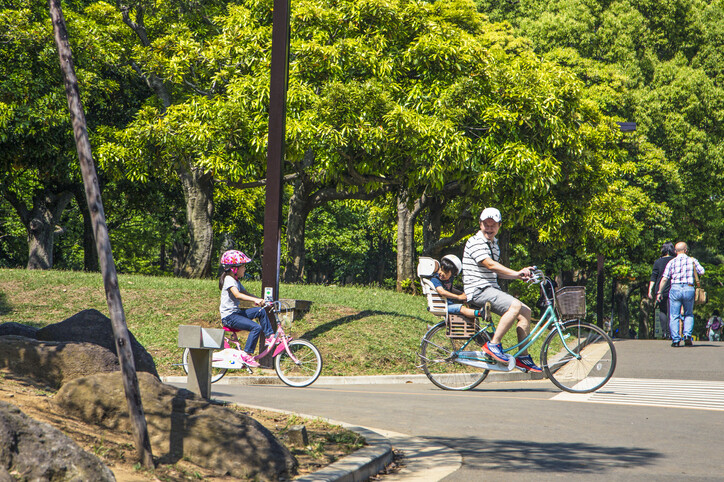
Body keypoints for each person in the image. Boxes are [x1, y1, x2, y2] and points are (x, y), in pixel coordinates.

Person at [462, 207, 540, 372]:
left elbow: (497, 272)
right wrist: (516, 273)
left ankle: (523, 358)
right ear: (480, 224)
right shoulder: (476, 241)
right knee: (515, 305)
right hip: (478, 290)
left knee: (526, 312)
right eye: (486, 224)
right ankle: (494, 344)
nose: (489, 228)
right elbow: (490, 265)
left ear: (499, 226)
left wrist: (519, 275)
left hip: (489, 288)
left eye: (493, 225)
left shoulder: (493, 244)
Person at [218, 250, 276, 367]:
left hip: (236, 314)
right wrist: (254, 300)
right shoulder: (229, 279)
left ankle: (269, 336)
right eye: (243, 267)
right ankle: (247, 354)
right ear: (234, 268)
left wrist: (261, 300)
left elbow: (244, 292)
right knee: (256, 327)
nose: (244, 269)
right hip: (229, 317)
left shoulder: (235, 280)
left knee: (260, 311)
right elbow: (237, 295)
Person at [656, 242, 705, 347]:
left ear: (675, 251)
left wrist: (660, 292)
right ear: (686, 250)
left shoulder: (672, 262)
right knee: (688, 313)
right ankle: (687, 335)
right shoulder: (692, 260)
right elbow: (702, 271)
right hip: (689, 288)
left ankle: (676, 340)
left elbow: (665, 278)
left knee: (674, 315)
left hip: (675, 288)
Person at [429, 254, 481, 320]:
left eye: (446, 273)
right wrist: (458, 297)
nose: (442, 273)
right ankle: (480, 313)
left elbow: (450, 288)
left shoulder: (449, 279)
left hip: (448, 304)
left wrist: (461, 293)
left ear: (452, 274)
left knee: (469, 315)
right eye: (441, 270)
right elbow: (441, 291)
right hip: (443, 306)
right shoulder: (435, 279)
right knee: (462, 309)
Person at [648, 242, 676, 339]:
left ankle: (664, 332)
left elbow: (653, 277)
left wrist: (650, 290)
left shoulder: (658, 262)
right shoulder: (674, 260)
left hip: (660, 288)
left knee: (662, 311)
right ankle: (670, 333)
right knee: (671, 311)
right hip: (672, 287)